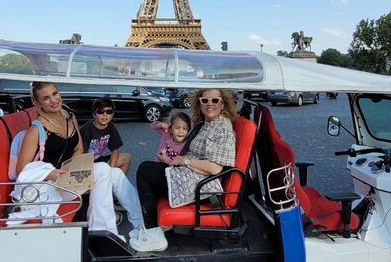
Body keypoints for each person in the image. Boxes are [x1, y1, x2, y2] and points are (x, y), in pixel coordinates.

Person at [14, 82, 142, 237]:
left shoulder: (69, 117)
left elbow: (78, 148)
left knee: (114, 174)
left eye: (55, 93)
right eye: (46, 98)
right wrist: (51, 173)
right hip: (48, 187)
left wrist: (75, 168)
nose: (54, 100)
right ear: (37, 103)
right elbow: (21, 170)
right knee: (102, 169)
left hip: (67, 179)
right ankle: (102, 231)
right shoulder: (36, 130)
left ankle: (142, 223)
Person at [130, 89, 237, 252]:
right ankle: (155, 227)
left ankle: (153, 234)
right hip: (190, 176)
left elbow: (215, 168)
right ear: (199, 103)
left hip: (202, 186)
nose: (209, 104)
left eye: (215, 101)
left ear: (222, 104)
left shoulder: (222, 128)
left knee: (145, 170)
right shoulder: (208, 123)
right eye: (204, 100)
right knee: (152, 168)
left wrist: (185, 160)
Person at [80, 98, 132, 175]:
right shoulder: (87, 129)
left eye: (109, 112)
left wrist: (111, 170)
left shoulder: (111, 127)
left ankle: (118, 185)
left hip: (100, 159)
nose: (105, 115)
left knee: (127, 157)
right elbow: (81, 154)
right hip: (86, 163)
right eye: (100, 112)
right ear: (94, 114)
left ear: (112, 114)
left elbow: (115, 150)